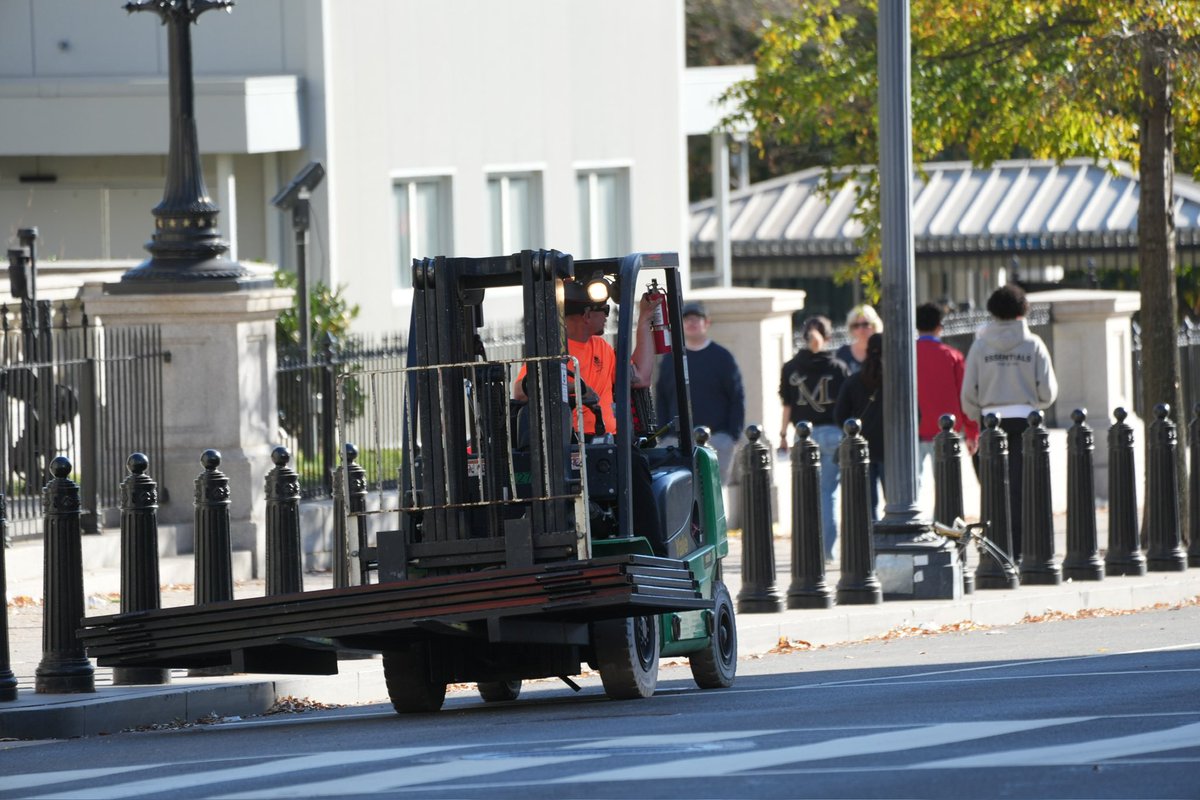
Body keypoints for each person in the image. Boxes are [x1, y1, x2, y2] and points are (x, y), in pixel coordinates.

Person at [961, 284, 1058, 562]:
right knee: (1024, 488)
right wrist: (1033, 403)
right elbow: (1048, 392)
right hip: (1026, 421)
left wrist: (977, 415)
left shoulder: (980, 346)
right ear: (1022, 310)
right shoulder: (1033, 345)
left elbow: (968, 393)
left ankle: (996, 549)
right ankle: (1023, 547)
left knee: (993, 489)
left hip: (991, 422)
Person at [779, 315, 850, 561]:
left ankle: (808, 550)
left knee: (805, 494)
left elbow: (787, 405)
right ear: (828, 337)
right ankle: (827, 551)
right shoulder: (838, 367)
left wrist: (783, 435)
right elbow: (847, 404)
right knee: (828, 493)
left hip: (803, 435)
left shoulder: (790, 368)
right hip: (832, 432)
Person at [654, 301, 745, 484]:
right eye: (687, 319)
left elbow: (737, 397)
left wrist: (732, 436)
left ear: (707, 323)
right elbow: (661, 397)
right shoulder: (670, 359)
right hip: (676, 442)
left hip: (717, 440)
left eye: (697, 319)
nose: (691, 323)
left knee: (715, 493)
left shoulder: (723, 357)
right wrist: (663, 436)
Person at [916, 302, 979, 483]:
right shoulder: (952, 356)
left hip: (915, 430)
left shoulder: (907, 355)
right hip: (946, 430)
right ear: (939, 327)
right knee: (947, 486)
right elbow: (965, 396)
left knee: (912, 488)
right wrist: (972, 431)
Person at [834, 332, 885, 520]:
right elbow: (915, 414)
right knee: (897, 503)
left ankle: (872, 536)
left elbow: (839, 416)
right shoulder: (896, 382)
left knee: (866, 506)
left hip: (861, 448)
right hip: (890, 450)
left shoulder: (854, 381)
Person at [835, 304, 884, 374]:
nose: (861, 330)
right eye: (856, 325)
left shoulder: (883, 351)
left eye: (865, 324)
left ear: (875, 326)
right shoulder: (843, 353)